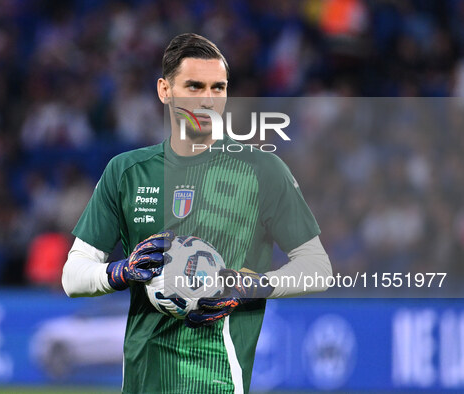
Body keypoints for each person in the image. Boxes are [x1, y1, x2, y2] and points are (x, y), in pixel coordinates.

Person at [62, 33, 332, 394]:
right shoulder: (126, 172)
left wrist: (254, 284)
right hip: (143, 382)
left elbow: (318, 268)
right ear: (164, 90)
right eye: (194, 86)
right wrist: (121, 271)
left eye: (218, 88)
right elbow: (72, 275)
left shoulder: (263, 170)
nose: (208, 100)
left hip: (219, 382)